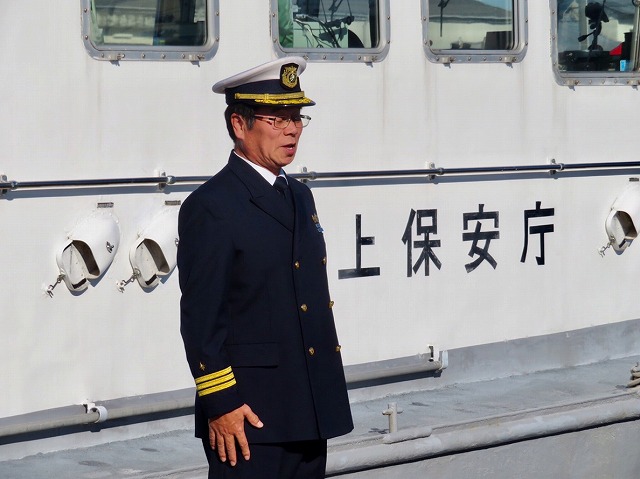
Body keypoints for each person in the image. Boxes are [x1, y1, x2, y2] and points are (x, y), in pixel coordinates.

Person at [177, 56, 353, 479]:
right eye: (277, 119)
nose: (292, 130)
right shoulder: (212, 206)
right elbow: (202, 321)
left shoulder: (299, 196)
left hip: (308, 407)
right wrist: (221, 404)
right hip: (249, 417)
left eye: (296, 117)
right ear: (240, 124)